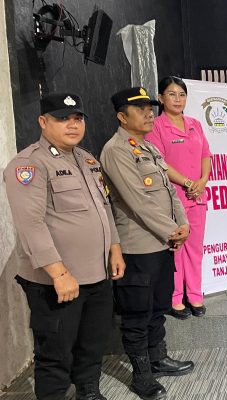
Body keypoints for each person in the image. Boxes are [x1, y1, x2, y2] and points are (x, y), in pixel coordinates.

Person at [4, 93, 125, 400]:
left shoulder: (87, 160)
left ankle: (88, 392)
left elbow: (104, 207)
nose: (72, 124)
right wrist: (59, 273)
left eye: (77, 118)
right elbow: (30, 224)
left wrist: (114, 247)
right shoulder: (29, 164)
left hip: (97, 274)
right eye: (62, 118)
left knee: (93, 343)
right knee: (55, 354)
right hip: (56, 281)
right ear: (43, 122)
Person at [100, 87, 194, 400]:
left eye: (149, 108)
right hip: (138, 248)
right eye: (140, 109)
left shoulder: (148, 147)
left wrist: (182, 224)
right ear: (121, 116)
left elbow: (168, 190)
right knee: (137, 315)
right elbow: (138, 201)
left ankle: (158, 358)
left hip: (162, 243)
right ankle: (141, 376)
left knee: (157, 308)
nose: (148, 113)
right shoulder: (116, 150)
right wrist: (172, 230)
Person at [145, 76, 212, 320]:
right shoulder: (156, 127)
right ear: (161, 98)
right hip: (172, 197)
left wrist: (202, 181)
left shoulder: (195, 124)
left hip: (198, 195)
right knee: (176, 248)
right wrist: (187, 182)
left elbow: (206, 155)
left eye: (181, 94)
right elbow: (159, 163)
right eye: (171, 94)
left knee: (195, 248)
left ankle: (194, 294)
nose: (177, 99)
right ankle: (174, 297)